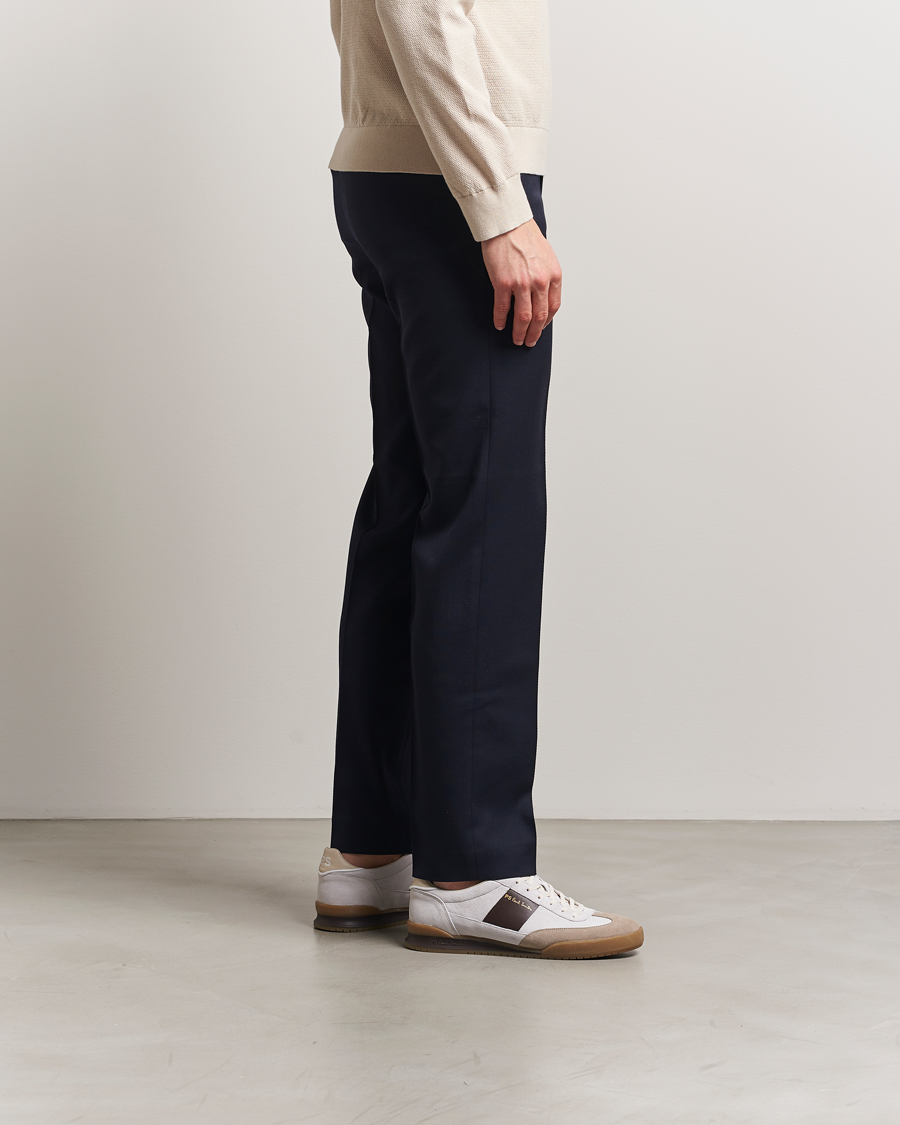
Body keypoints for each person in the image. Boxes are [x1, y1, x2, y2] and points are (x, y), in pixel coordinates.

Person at [314, 0, 643, 959]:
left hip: (396, 165)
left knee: (412, 500)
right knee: (486, 512)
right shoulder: (477, 189)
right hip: (456, 179)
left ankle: (371, 847)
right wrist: (499, 206)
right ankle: (474, 872)